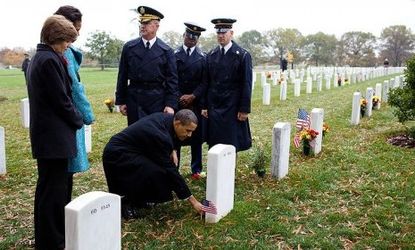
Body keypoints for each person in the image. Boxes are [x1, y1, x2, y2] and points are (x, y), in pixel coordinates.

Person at [27, 15, 83, 250]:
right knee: (53, 193)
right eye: (66, 41)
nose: (67, 46)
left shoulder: (39, 58)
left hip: (47, 136)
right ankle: (53, 241)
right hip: (54, 137)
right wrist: (78, 120)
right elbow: (62, 100)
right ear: (54, 38)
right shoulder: (49, 60)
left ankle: (46, 238)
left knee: (47, 189)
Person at [102, 109, 205, 220]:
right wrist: (193, 201)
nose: (189, 135)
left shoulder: (169, 119)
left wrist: (173, 149)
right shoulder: (160, 136)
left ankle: (139, 199)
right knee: (155, 171)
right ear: (178, 123)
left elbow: (171, 135)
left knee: (156, 170)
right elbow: (170, 170)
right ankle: (125, 203)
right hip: (117, 155)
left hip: (134, 150)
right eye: (188, 130)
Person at [115, 5, 179, 125]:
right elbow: (122, 76)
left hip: (156, 100)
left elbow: (172, 81)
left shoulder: (166, 51)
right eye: (141, 23)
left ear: (157, 26)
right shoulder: (129, 47)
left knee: (154, 135)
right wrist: (121, 100)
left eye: (147, 23)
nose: (142, 26)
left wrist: (170, 104)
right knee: (135, 135)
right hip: (135, 98)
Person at [54, 6, 95, 190]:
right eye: (75, 28)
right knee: (63, 176)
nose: (78, 33)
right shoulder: (65, 52)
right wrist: (87, 115)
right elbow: (75, 87)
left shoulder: (53, 49)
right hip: (68, 117)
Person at [201, 18, 252, 152]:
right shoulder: (211, 55)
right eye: (218, 33)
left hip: (232, 106)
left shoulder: (242, 55)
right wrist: (205, 106)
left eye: (224, 33)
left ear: (231, 33)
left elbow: (246, 83)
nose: (221, 36)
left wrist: (244, 109)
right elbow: (207, 82)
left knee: (231, 141)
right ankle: (216, 171)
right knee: (215, 141)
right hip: (215, 106)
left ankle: (229, 171)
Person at [174, 22, 207, 180]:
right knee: (176, 134)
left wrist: (193, 96)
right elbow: (171, 79)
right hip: (178, 101)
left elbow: (205, 82)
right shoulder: (173, 55)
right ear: (184, 36)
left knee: (196, 136)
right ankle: (175, 167)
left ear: (198, 39)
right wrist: (180, 96)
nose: (191, 39)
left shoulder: (203, 58)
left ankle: (196, 169)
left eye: (195, 36)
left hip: (195, 102)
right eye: (189, 35)